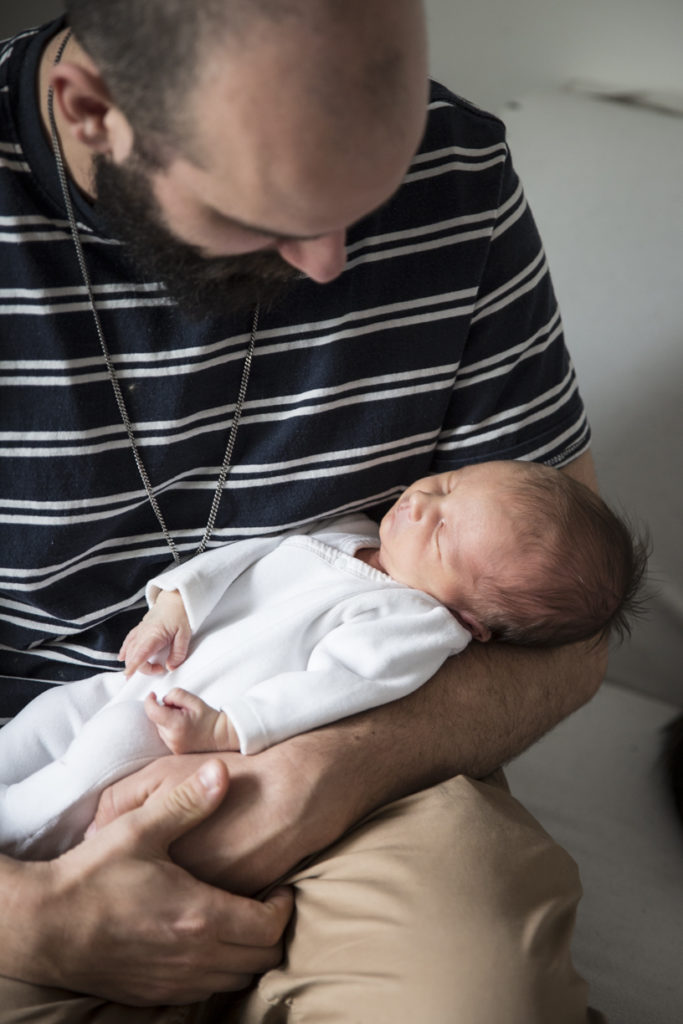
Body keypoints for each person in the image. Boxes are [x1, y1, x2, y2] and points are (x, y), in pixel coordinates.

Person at [0, 1, 612, 1020]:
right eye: (270, 211)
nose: (331, 264)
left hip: (366, 748)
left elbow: (566, 628)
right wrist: (26, 917)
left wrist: (322, 771)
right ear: (90, 109)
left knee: (467, 991)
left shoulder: (457, 174)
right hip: (37, 760)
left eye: (366, 196)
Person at [0, 460, 646, 862]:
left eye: (443, 533)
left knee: (89, 764)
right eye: (446, 486)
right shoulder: (355, 536)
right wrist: (173, 606)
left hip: (173, 725)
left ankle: (18, 838)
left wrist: (225, 729)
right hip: (138, 678)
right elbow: (246, 562)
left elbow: (331, 691)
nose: (420, 504)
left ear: (473, 620)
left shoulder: (413, 626)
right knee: (47, 717)